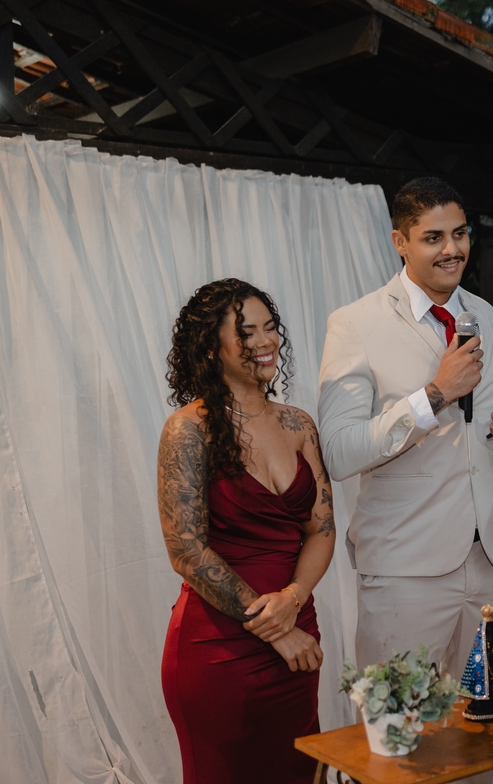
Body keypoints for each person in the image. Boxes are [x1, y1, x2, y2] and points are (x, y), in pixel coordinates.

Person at [317, 177, 493, 697]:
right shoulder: (355, 324)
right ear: (400, 242)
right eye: (433, 237)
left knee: (484, 724)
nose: (452, 249)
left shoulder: (487, 318)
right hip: (405, 570)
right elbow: (340, 451)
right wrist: (434, 394)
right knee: (399, 727)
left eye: (459, 234)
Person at [158, 279, 335, 784]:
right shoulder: (189, 429)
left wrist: (294, 599)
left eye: (269, 327)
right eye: (245, 332)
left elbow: (321, 528)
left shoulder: (299, 424)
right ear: (210, 349)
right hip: (219, 649)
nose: (264, 341)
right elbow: (187, 551)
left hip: (298, 633)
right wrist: (278, 628)